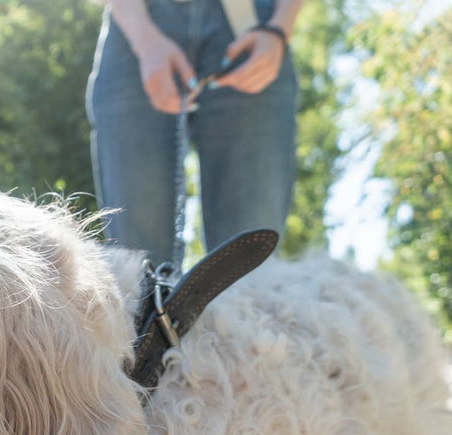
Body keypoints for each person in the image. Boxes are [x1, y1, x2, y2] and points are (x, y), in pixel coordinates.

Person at [86, 0, 305, 268]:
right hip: (134, 19)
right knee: (137, 273)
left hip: (252, 23)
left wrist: (280, 28)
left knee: (252, 265)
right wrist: (145, 41)